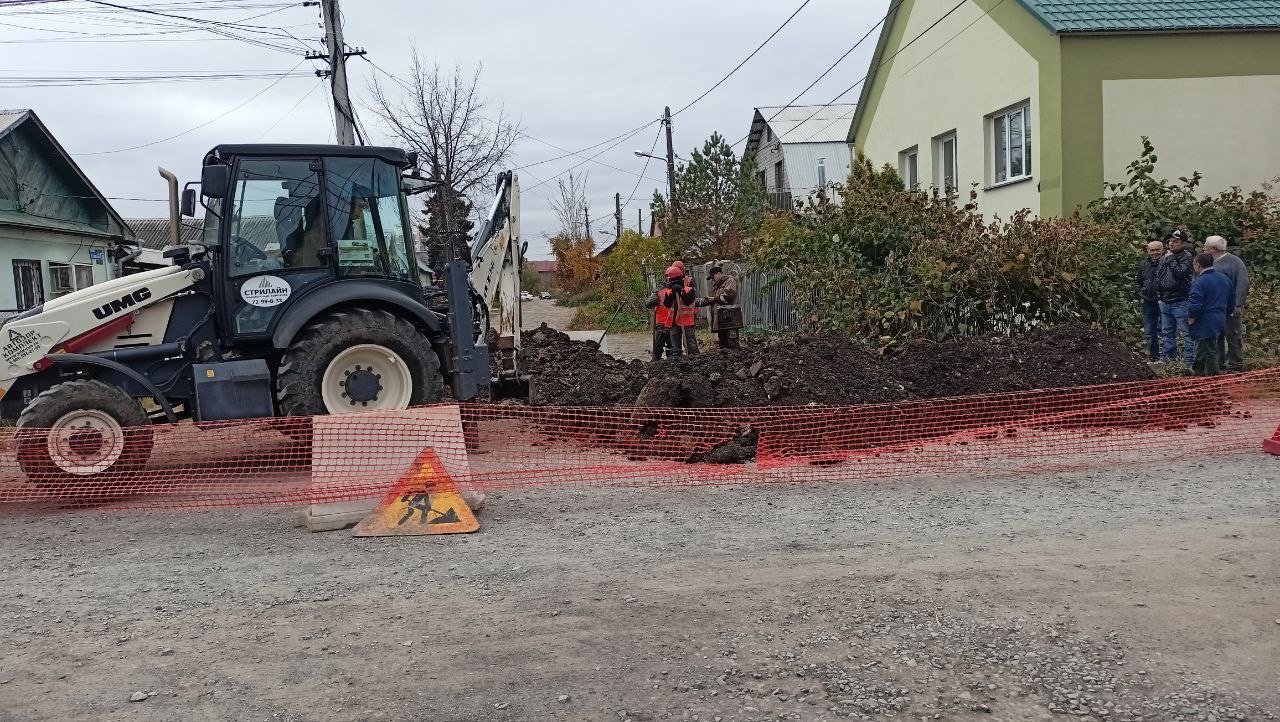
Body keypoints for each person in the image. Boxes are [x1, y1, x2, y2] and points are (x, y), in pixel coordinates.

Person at [1203, 235, 1250, 372]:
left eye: (1205, 246)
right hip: (1213, 308)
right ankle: (1219, 365)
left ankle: (1235, 366)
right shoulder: (1209, 262)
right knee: (1216, 337)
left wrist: (1238, 304)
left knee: (1233, 336)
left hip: (1229, 307)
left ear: (1213, 248)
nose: (1203, 248)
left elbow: (1242, 283)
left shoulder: (1234, 262)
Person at [1186, 253, 1234, 376]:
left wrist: (1191, 317)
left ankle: (1213, 375)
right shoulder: (1224, 278)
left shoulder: (1200, 282)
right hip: (1220, 317)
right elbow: (1231, 298)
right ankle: (1197, 370)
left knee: (1209, 348)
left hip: (1205, 319)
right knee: (1204, 344)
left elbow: (1194, 304)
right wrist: (1226, 313)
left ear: (1198, 265)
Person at [1157, 230, 1195, 367]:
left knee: (1187, 333)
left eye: (1175, 241)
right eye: (1170, 241)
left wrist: (1171, 258)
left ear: (1184, 243)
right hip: (1164, 301)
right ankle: (1169, 361)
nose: (1171, 244)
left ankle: (1189, 362)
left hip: (1180, 300)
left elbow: (1180, 273)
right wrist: (1159, 296)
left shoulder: (1186, 257)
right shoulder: (1165, 257)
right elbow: (1159, 277)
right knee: (1167, 333)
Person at [645, 266, 694, 361]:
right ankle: (657, 364)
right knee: (660, 346)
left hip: (673, 322)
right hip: (664, 322)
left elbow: (690, 301)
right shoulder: (660, 290)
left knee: (672, 347)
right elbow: (649, 303)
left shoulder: (684, 287)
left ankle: (671, 364)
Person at [698, 265, 741, 349]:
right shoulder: (717, 286)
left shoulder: (730, 281)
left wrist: (713, 299)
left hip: (730, 320)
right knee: (723, 346)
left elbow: (728, 297)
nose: (713, 280)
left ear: (719, 273)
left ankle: (736, 361)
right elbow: (716, 301)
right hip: (721, 321)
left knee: (732, 345)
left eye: (713, 277)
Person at [1135, 240, 1164, 361]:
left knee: (1164, 330)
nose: (1155, 253)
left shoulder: (1166, 263)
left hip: (1163, 301)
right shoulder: (1143, 265)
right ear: (1148, 251)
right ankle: (1154, 356)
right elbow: (1137, 281)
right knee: (1149, 331)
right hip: (1147, 301)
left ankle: (1166, 357)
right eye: (1152, 250)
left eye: (1157, 250)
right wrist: (1141, 295)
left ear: (1162, 250)